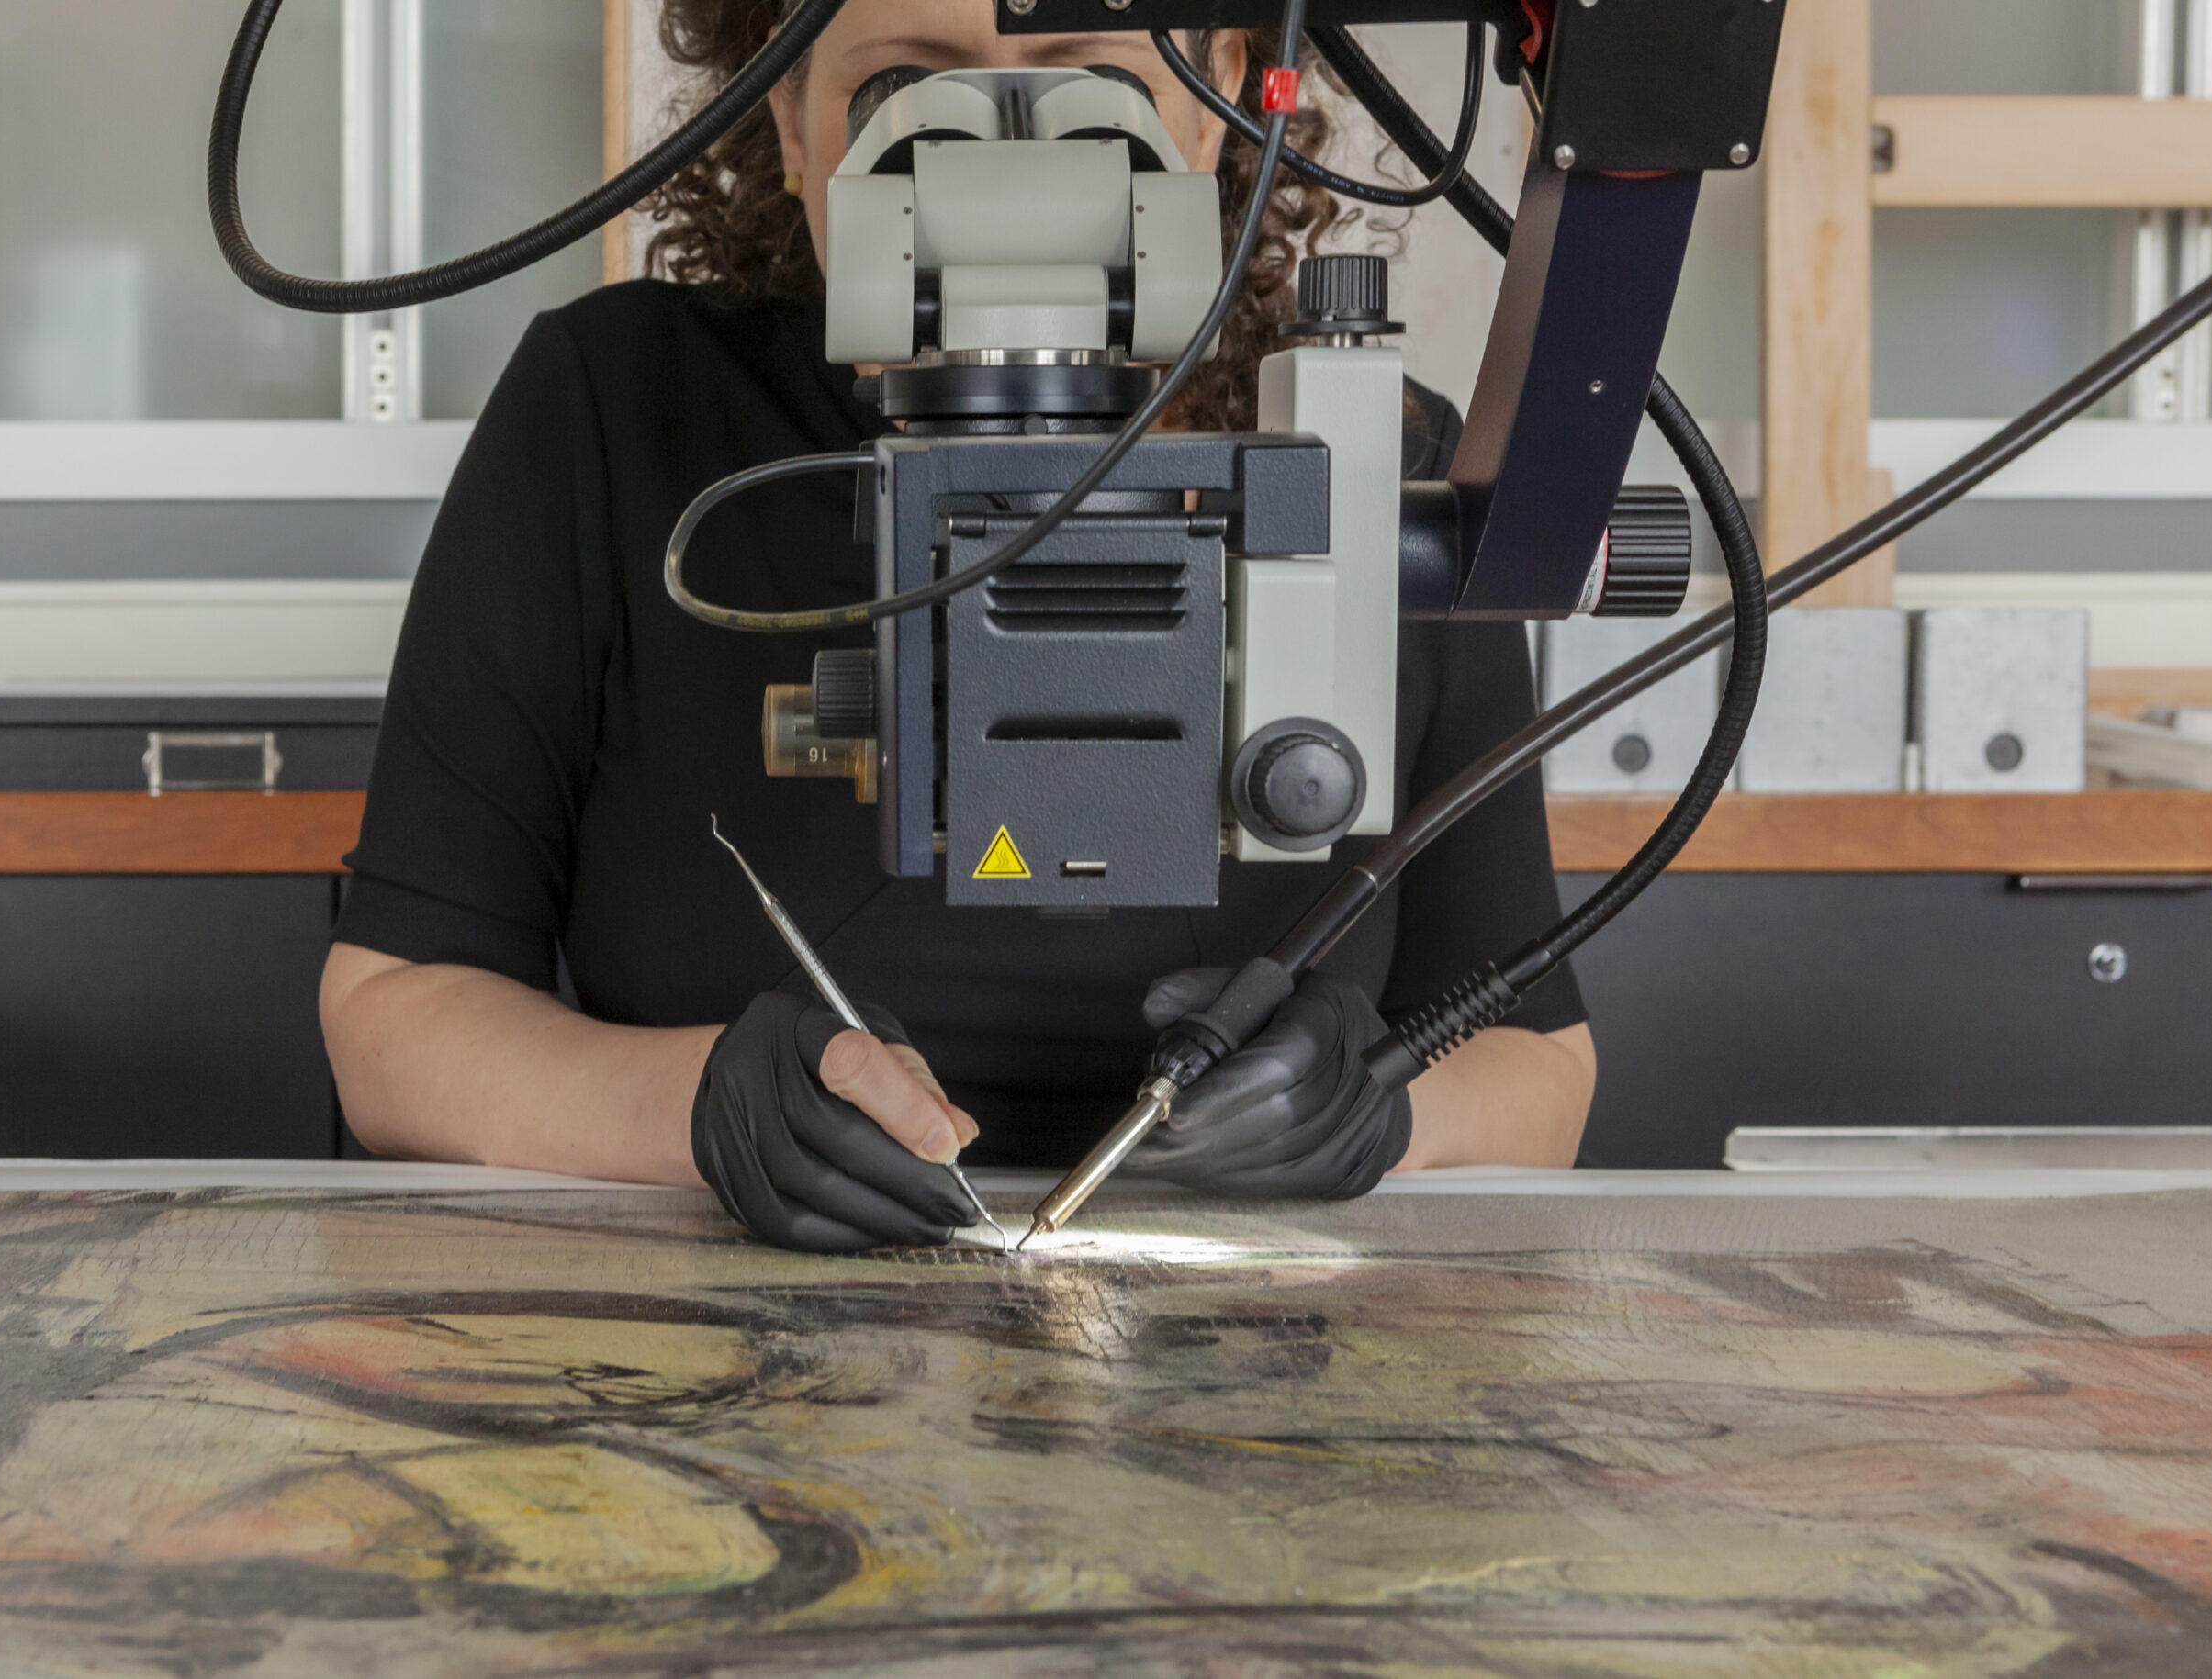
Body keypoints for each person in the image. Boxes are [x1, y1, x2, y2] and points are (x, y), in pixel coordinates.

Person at [320, 0, 1598, 1251]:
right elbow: (388, 1018)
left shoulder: (1374, 467)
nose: (1002, 160)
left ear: (1218, 103)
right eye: (907, 93)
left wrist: (1382, 1115)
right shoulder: (613, 413)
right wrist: (696, 1106)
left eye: (1086, 89)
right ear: (794, 130)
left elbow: (1541, 1065)